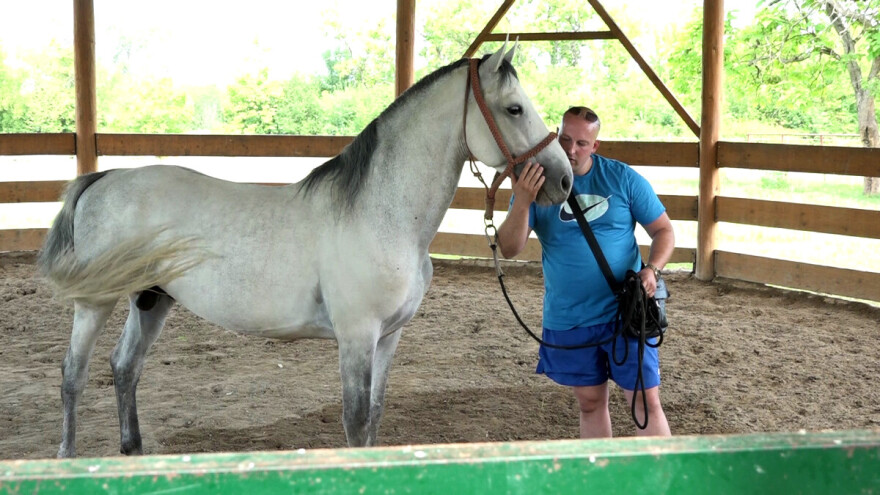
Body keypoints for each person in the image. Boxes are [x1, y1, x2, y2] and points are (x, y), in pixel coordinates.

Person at [496, 106, 675, 438]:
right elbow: (508, 248)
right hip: (570, 317)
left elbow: (663, 230)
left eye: (581, 143)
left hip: (626, 312)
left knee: (645, 402)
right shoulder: (537, 184)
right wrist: (522, 200)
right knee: (590, 404)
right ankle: (600, 471)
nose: (571, 150)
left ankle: (662, 472)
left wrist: (652, 269)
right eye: (565, 139)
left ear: (595, 146)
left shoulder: (622, 178)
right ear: (556, 136)